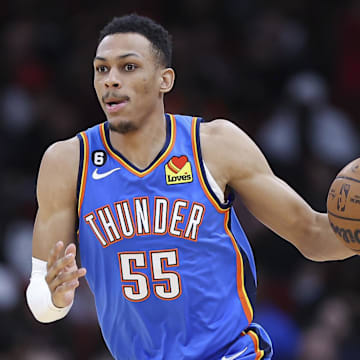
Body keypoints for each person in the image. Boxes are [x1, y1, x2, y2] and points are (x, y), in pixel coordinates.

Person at [26, 14, 356, 360]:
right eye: (101, 69)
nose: (110, 80)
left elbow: (312, 233)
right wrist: (55, 299)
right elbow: (41, 299)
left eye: (128, 67)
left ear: (164, 80)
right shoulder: (67, 162)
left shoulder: (214, 145)